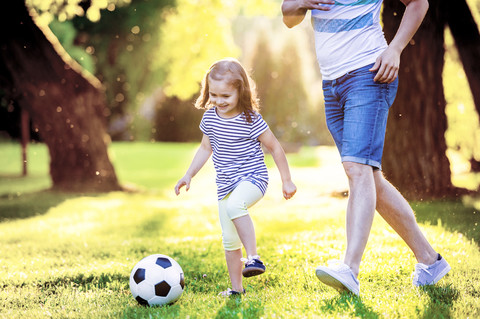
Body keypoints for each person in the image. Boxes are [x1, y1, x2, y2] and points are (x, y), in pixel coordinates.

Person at [281, 0, 450, 296]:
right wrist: (299, 3)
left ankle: (350, 269)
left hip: (368, 73)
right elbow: (289, 18)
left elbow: (419, 3)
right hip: (331, 83)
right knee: (369, 177)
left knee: (357, 169)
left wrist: (395, 49)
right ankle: (429, 260)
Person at [175, 58, 297, 296]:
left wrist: (287, 180)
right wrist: (188, 174)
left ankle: (254, 257)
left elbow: (275, 148)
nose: (219, 101)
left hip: (254, 178)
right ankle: (236, 289)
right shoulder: (210, 119)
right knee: (229, 241)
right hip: (225, 185)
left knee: (236, 204)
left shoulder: (251, 119)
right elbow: (205, 149)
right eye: (214, 95)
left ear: (240, 91)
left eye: (226, 96)